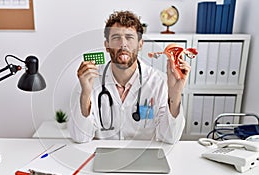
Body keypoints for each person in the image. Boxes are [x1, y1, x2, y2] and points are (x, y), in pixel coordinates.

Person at [69, 10, 191, 144]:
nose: (123, 44)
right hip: (103, 158)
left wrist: (175, 94)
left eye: (129, 37)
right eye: (116, 38)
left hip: (144, 159)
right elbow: (80, 138)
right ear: (107, 45)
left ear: (140, 44)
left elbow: (170, 138)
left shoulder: (159, 82)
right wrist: (86, 93)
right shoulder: (89, 80)